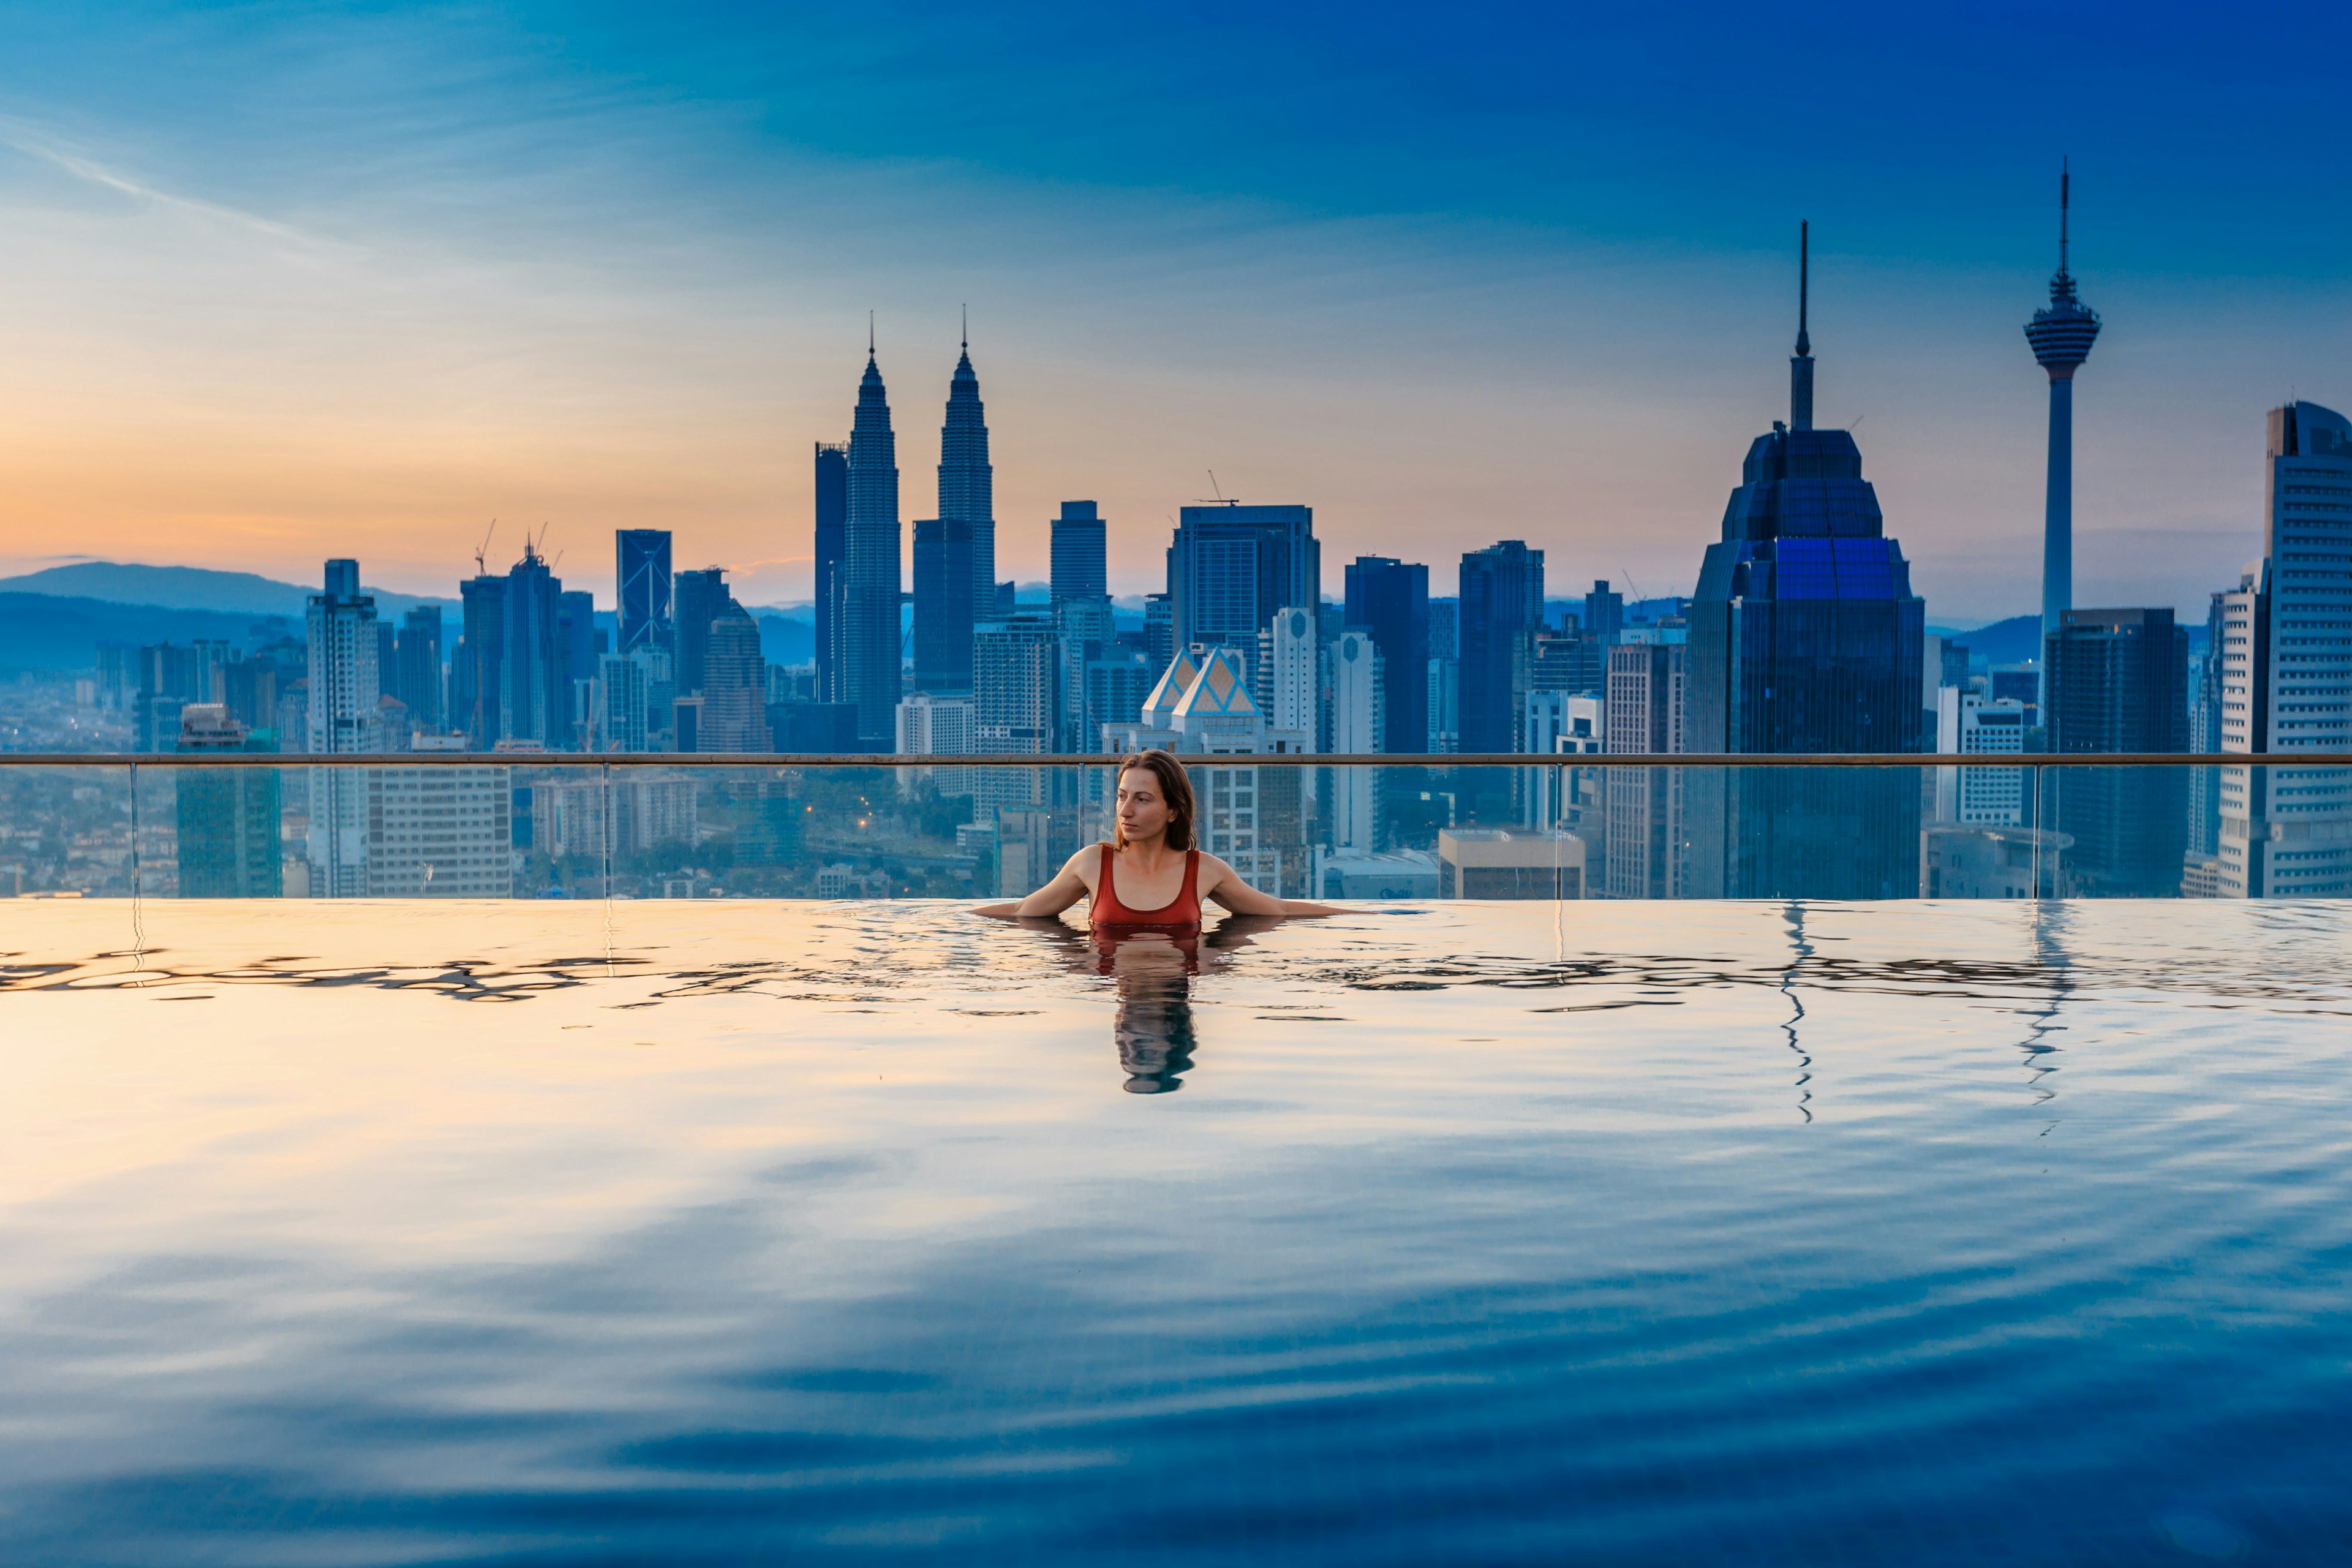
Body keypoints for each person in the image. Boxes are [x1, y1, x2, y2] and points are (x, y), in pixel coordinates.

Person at [974, 749, 1338, 925]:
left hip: (1176, 999)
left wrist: (1365, 916)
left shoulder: (1205, 871)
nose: (1125, 810)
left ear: (1173, 811)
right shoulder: (1092, 863)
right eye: (1122, 796)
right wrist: (957, 920)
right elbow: (1023, 910)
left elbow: (1281, 909)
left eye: (1142, 799)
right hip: (1115, 993)